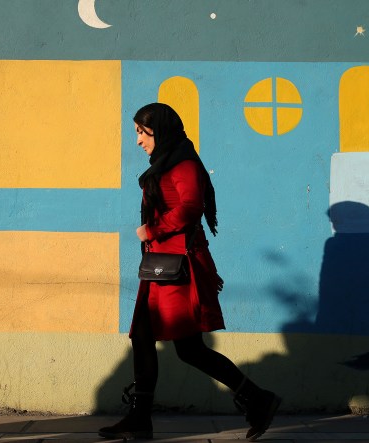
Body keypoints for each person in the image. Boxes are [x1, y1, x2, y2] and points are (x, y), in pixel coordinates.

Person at [99, 103, 281, 441]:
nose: (138, 140)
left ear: (161, 130)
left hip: (175, 271)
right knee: (146, 339)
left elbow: (191, 207)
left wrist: (152, 230)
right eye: (136, 132)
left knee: (188, 348)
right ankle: (141, 417)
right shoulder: (166, 163)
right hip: (161, 268)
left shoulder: (183, 164)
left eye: (142, 132)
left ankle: (258, 398)